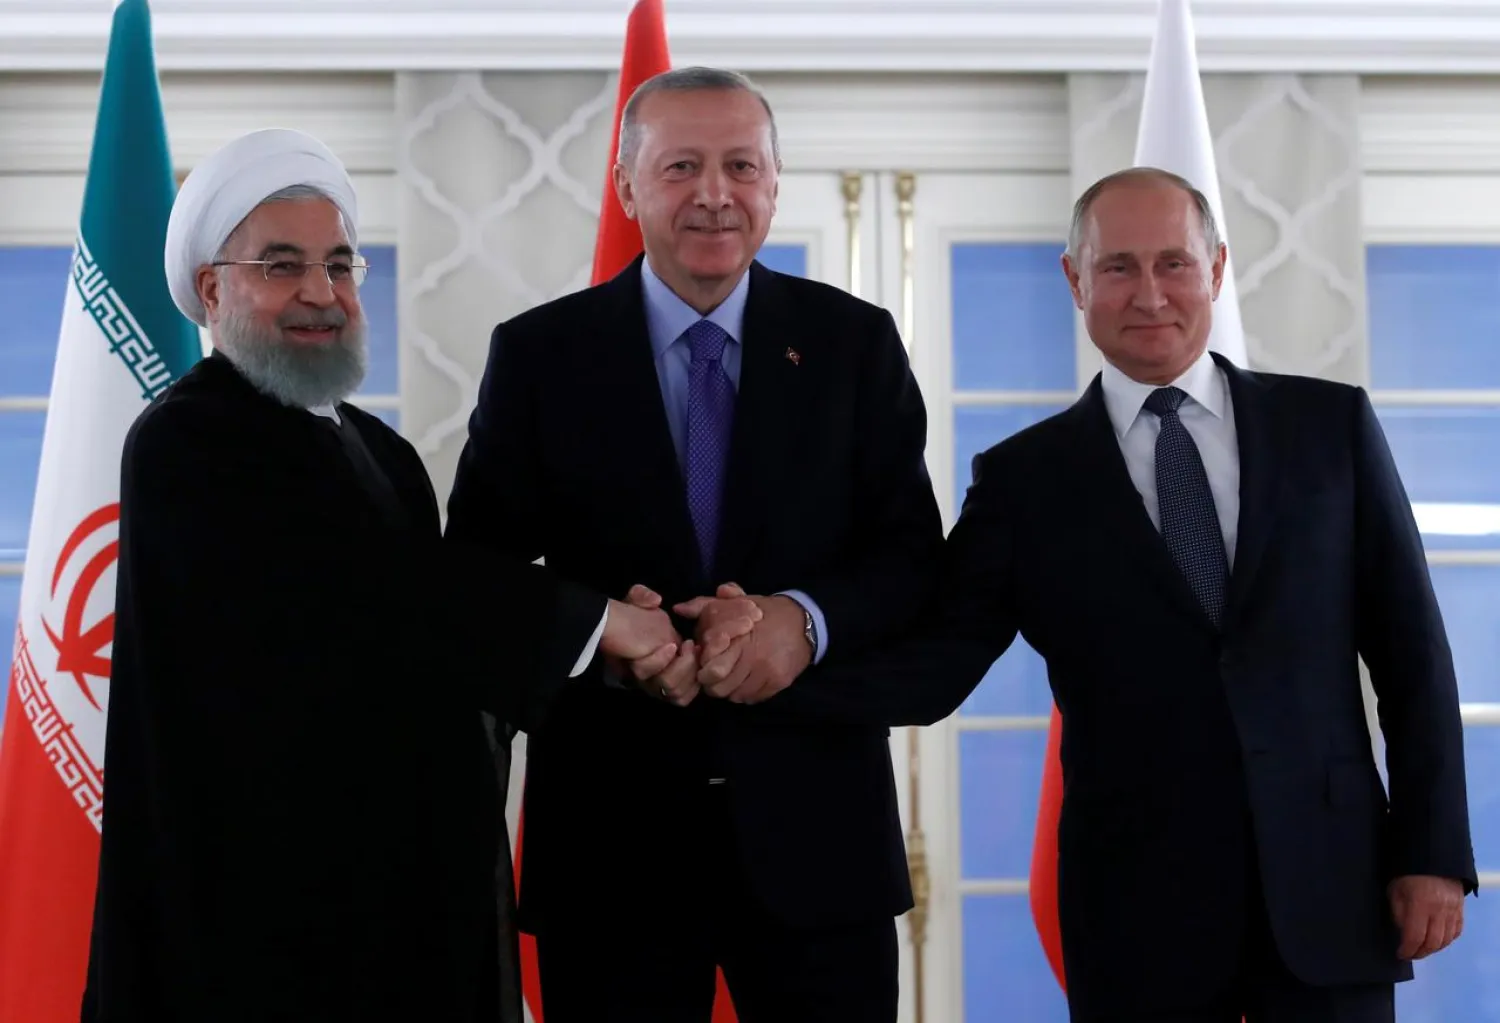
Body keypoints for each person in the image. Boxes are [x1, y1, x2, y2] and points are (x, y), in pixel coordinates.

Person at [770, 167, 1477, 1022]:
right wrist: (765, 669)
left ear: (1216, 269)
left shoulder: (1329, 428)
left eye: (1175, 264)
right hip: (1139, 911)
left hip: (1331, 887)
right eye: (1118, 268)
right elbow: (933, 665)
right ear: (1075, 279)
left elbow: (1413, 656)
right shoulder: (1024, 482)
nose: (1150, 294)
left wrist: (1433, 851)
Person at [81, 128, 714, 1023]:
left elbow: (435, 638)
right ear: (213, 290)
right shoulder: (189, 436)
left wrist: (611, 648)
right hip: (253, 904)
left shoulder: (380, 450)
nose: (320, 293)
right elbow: (371, 590)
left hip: (392, 892)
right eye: (282, 265)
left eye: (341, 265)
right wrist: (594, 622)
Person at [445, 67, 944, 1022]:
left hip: (818, 844)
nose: (715, 192)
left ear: (773, 182)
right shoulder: (541, 355)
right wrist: (603, 637)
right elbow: (477, 575)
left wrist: (802, 623)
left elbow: (912, 561)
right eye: (682, 166)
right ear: (627, 186)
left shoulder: (855, 344)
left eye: (740, 166)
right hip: (611, 849)